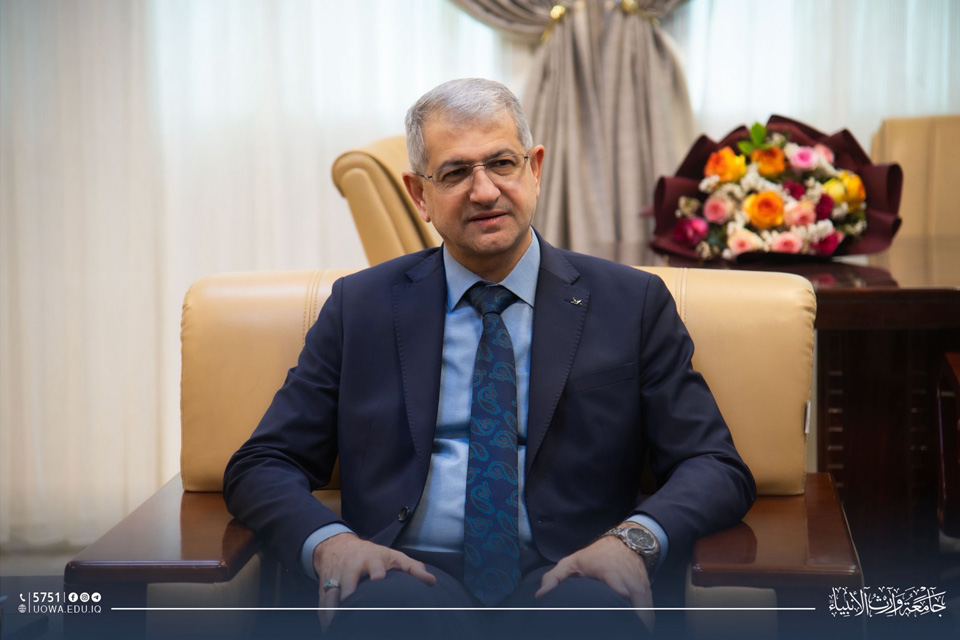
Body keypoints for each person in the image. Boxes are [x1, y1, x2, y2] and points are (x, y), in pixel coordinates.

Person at [223, 78, 755, 639]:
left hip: (575, 570)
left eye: (502, 163)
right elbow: (263, 463)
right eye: (455, 173)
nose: (484, 192)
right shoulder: (362, 307)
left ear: (535, 169)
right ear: (419, 194)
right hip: (401, 573)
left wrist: (632, 542)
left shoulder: (631, 303)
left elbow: (712, 464)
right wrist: (331, 544)